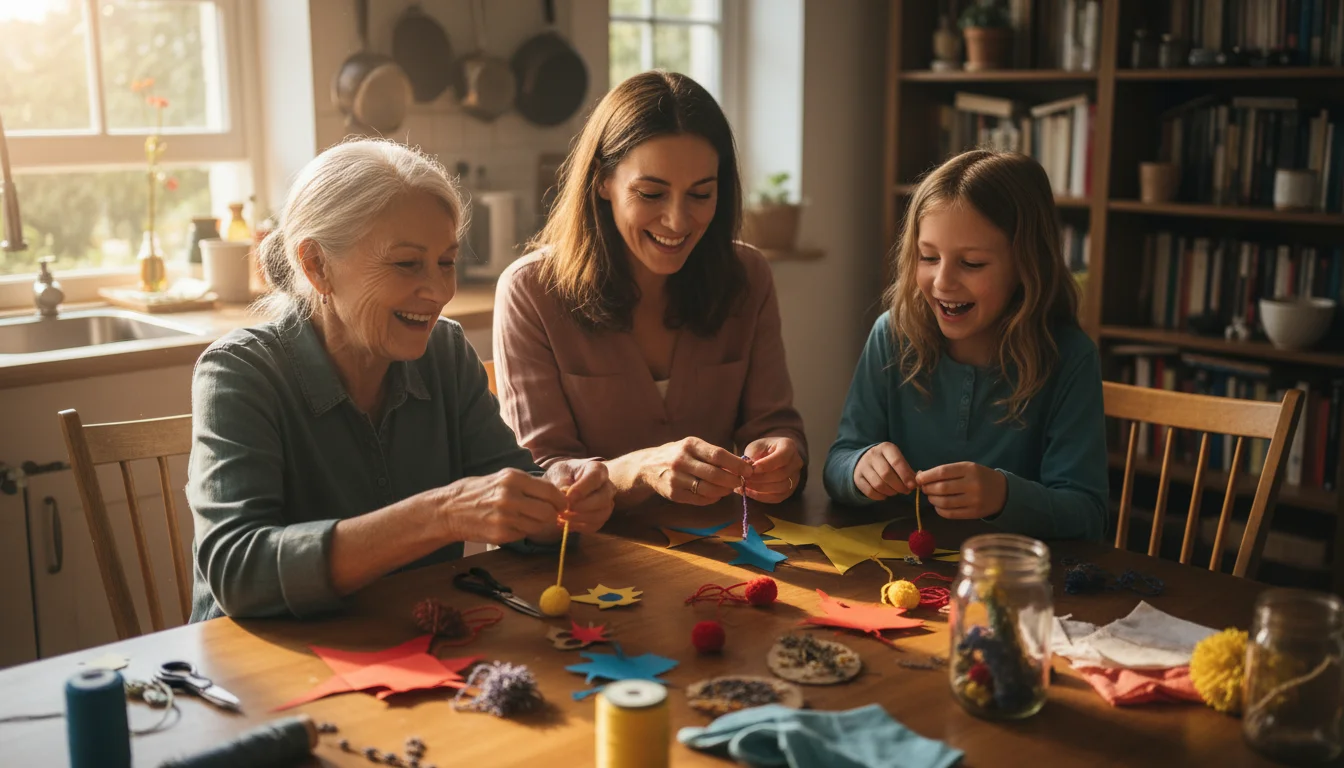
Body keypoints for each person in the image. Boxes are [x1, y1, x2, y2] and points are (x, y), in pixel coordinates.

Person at [187, 139, 614, 621]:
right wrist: (440, 514)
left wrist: (559, 502)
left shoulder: (446, 354)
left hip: (405, 647)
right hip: (252, 674)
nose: (437, 291)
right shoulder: (240, 373)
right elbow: (239, 572)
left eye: (447, 262)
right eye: (407, 263)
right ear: (316, 265)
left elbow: (517, 496)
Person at [493, 71, 807, 510]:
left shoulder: (748, 275)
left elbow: (774, 424)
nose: (678, 221)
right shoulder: (530, 291)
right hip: (592, 563)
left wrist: (782, 456)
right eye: (651, 193)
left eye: (701, 194)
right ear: (603, 181)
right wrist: (639, 471)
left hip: (722, 557)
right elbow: (542, 478)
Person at [823, 149, 1107, 540]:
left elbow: (1087, 515)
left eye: (971, 263)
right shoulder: (892, 335)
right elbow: (838, 463)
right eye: (928, 257)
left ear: (1027, 266)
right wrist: (859, 469)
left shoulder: (1069, 358)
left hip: (1009, 579)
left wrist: (1004, 496)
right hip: (898, 571)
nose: (942, 282)